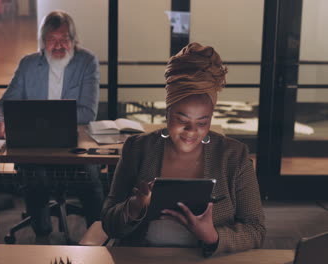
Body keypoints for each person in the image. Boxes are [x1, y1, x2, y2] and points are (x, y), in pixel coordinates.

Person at [101, 42, 266, 257]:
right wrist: (135, 206)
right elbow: (109, 223)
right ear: (167, 113)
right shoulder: (137, 149)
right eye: (182, 119)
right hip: (143, 257)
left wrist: (212, 236)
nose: (191, 131)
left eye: (202, 122)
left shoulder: (234, 156)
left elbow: (256, 230)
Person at [0, 10, 103, 238]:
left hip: (73, 144)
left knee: (90, 177)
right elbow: (6, 102)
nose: (58, 45)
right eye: (52, 40)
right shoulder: (28, 64)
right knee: (34, 176)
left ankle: (99, 234)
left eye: (64, 39)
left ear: (73, 40)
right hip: (33, 145)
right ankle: (42, 233)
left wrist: (43, 116)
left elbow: (88, 113)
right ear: (43, 42)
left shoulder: (86, 61)